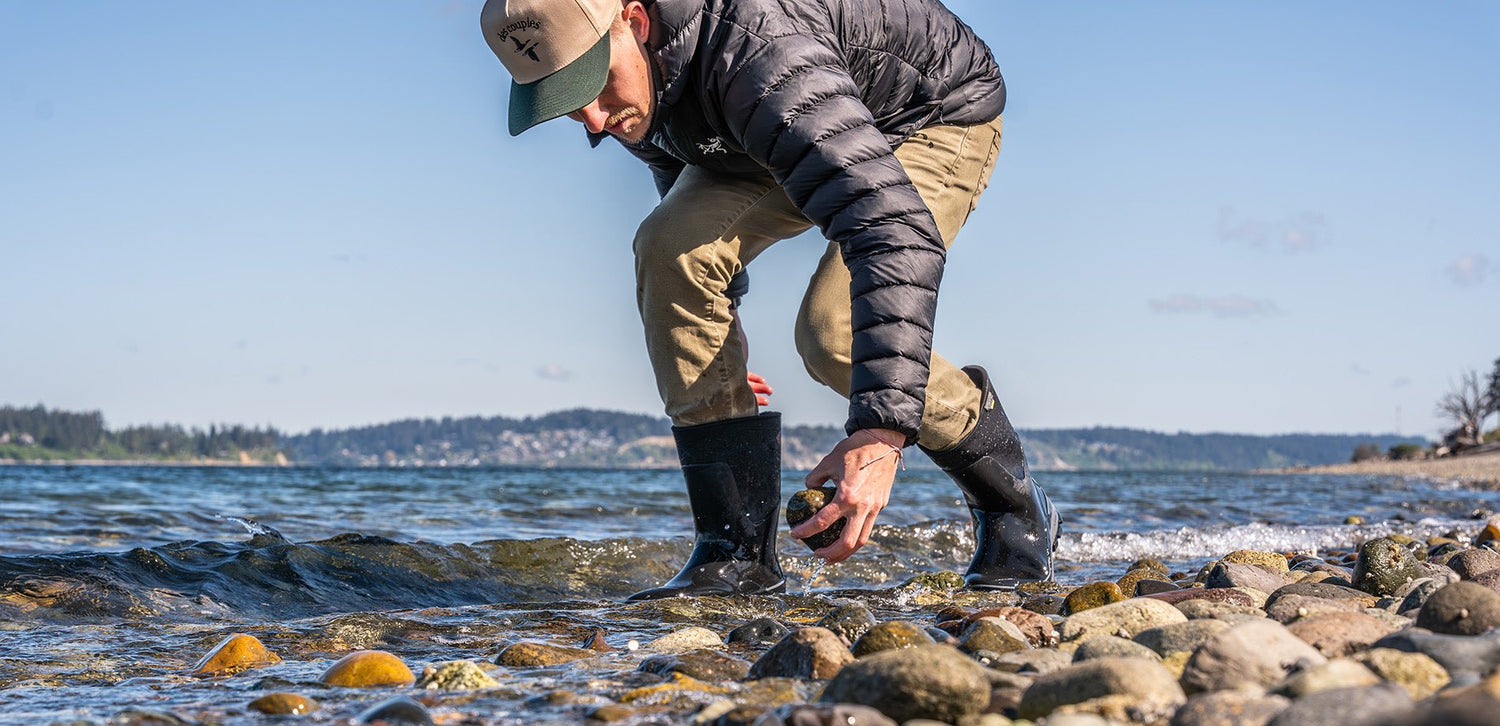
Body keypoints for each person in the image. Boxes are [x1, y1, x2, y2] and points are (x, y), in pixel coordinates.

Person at [480, 0, 1060, 599]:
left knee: (833, 332)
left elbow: (890, 230)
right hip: (761, 121)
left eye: (596, 85)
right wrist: (716, 345)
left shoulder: (760, 49)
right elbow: (681, 191)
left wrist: (882, 435)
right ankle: (735, 557)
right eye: (569, 106)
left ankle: (1012, 502)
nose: (597, 122)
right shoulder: (638, 89)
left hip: (926, 112)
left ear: (635, 20)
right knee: (667, 245)